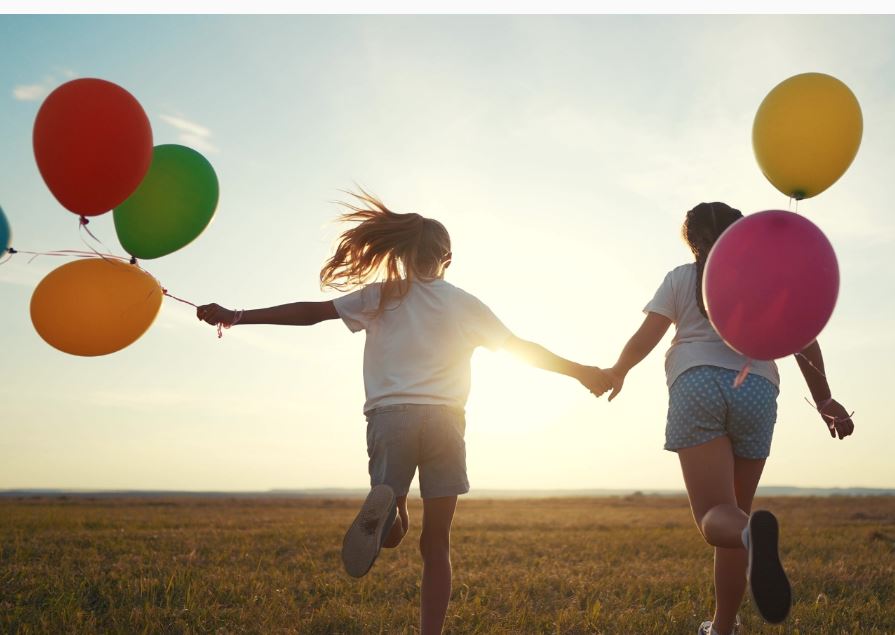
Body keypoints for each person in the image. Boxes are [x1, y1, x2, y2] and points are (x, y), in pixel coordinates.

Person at [196, 190, 611, 635]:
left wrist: (237, 315)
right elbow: (522, 349)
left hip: (391, 418)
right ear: (447, 258)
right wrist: (581, 371)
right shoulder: (465, 303)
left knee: (392, 517)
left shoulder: (382, 295)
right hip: (445, 424)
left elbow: (311, 314)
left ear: (402, 254)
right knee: (437, 544)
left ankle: (390, 514)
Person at [603, 202, 855, 635]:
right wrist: (825, 400)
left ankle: (751, 540)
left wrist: (618, 370)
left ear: (693, 240)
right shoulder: (765, 280)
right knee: (739, 514)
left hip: (696, 384)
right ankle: (722, 627)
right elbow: (803, 340)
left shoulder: (682, 277)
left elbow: (647, 336)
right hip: (757, 390)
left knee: (717, 518)